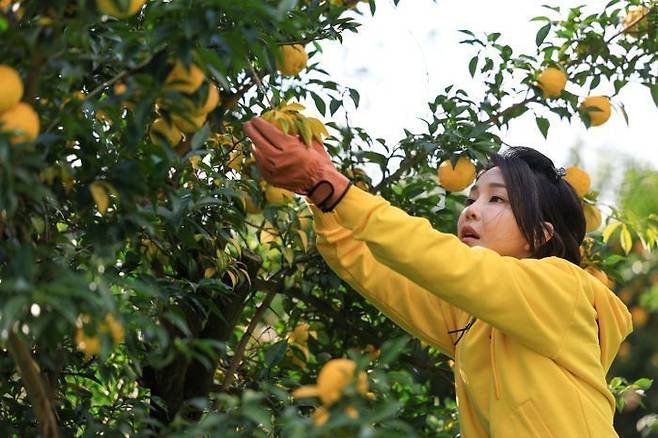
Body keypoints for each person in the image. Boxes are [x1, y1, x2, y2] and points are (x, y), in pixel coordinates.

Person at [244, 117, 633, 437]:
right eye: (471, 198)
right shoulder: (470, 320)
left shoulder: (562, 287)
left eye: (496, 199)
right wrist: (320, 194)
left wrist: (333, 187)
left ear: (540, 234)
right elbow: (374, 269)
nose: (471, 211)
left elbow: (442, 260)